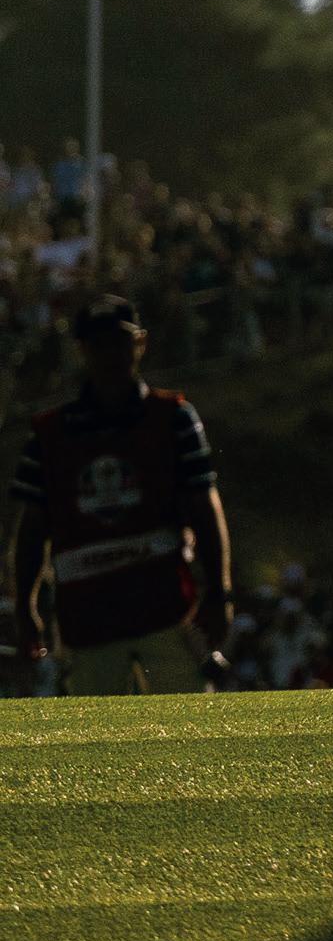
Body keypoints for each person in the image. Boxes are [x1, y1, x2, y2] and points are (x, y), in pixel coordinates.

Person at [8, 291, 232, 693]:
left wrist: (220, 593)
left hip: (166, 613)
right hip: (86, 624)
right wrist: (25, 606)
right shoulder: (49, 435)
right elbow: (31, 531)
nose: (111, 354)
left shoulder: (174, 418)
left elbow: (204, 507)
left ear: (140, 343)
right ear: (82, 350)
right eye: (100, 344)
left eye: (120, 342)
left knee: (189, 727)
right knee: (93, 732)